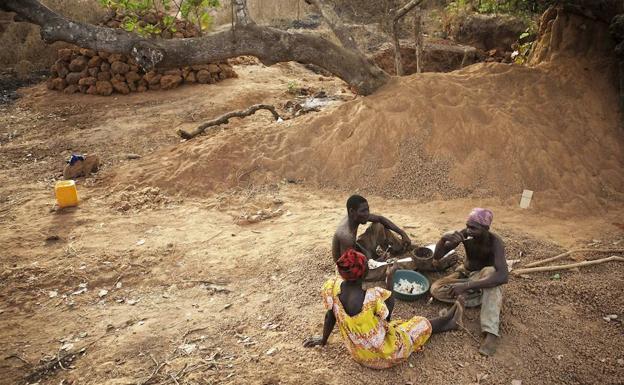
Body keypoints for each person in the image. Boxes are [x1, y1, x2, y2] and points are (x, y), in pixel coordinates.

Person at [303, 248, 464, 369]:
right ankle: (449, 322)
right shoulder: (372, 297)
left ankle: (448, 320)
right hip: (383, 354)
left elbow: (329, 317)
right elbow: (386, 318)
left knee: (400, 324)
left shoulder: (332, 287)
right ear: (365, 273)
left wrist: (323, 340)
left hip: (358, 352)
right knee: (419, 322)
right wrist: (389, 279)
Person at [429, 208, 508, 356]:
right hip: (465, 273)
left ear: (486, 229)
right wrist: (443, 239)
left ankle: (491, 332)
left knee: (491, 273)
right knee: (435, 289)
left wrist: (466, 286)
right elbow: (438, 256)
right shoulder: (465, 235)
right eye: (467, 226)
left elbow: (503, 276)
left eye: (473, 228)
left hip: (483, 276)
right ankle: (483, 296)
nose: (468, 230)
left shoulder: (495, 242)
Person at [332, 195, 411, 277]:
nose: (367, 214)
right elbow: (348, 267)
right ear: (352, 211)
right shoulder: (346, 236)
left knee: (378, 226)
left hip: (354, 250)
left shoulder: (353, 217)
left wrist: (402, 233)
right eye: (363, 211)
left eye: (367, 209)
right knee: (389, 270)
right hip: (348, 266)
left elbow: (380, 219)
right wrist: (375, 262)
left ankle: (401, 248)